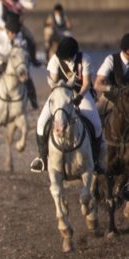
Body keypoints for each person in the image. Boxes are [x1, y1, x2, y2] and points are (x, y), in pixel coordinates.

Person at [30, 36, 103, 173]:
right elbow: (54, 81)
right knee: (41, 122)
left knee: (97, 125)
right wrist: (60, 94)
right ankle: (42, 158)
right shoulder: (55, 59)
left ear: (72, 54)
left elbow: (86, 83)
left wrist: (79, 97)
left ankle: (96, 161)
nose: (63, 59)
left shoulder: (84, 59)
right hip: (60, 93)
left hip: (81, 92)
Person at [0, 15, 38, 109]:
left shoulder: (19, 36)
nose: (13, 35)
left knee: (27, 77)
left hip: (14, 62)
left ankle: (33, 99)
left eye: (15, 33)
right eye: (11, 33)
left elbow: (22, 50)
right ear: (7, 31)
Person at [0, 0, 41, 67]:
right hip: (4, 26)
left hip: (17, 27)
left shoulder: (19, 2)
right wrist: (7, 27)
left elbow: (32, 5)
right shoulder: (1, 3)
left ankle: (33, 59)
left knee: (30, 37)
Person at [94, 32, 129, 118]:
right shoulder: (111, 60)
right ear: (127, 50)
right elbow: (97, 84)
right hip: (110, 99)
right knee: (94, 117)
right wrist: (111, 89)